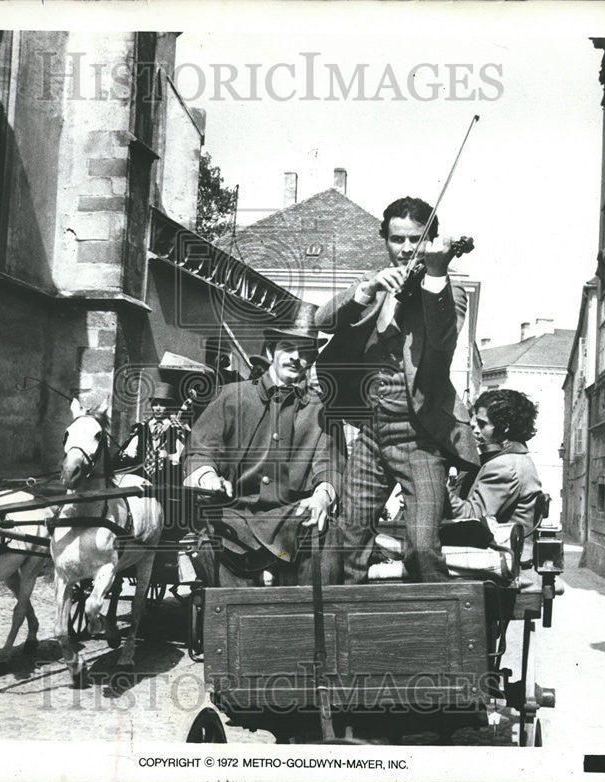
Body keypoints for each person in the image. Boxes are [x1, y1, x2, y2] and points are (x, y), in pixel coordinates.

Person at [314, 195, 480, 583]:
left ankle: (435, 633)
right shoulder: (377, 282)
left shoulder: (447, 290)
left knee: (422, 546)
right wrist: (367, 289)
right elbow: (322, 320)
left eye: (415, 239)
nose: (406, 249)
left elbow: (442, 343)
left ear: (431, 239)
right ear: (385, 240)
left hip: (418, 436)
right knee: (347, 541)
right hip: (372, 432)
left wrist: (436, 276)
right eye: (396, 239)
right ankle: (347, 629)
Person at [182, 305, 344, 587]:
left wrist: (322, 496)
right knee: (209, 545)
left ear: (311, 360)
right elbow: (201, 450)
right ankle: (227, 625)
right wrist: (207, 475)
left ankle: (317, 626)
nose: (295, 357)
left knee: (326, 537)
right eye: (287, 347)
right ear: (270, 352)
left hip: (293, 520)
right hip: (234, 518)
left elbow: (329, 467)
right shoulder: (232, 397)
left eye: (305, 351)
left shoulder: (322, 410)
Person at [446, 389, 542, 527]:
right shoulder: (516, 458)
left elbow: (472, 516)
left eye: (482, 424)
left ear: (505, 427)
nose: (474, 429)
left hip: (497, 547)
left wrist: (436, 488)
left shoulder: (504, 466)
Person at [118, 381, 188, 481]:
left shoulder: (176, 428)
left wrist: (168, 456)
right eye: (155, 404)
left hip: (167, 480)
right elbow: (129, 452)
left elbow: (183, 457)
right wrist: (127, 454)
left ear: (168, 406)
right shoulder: (141, 426)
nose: (158, 408)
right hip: (141, 477)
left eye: (162, 405)